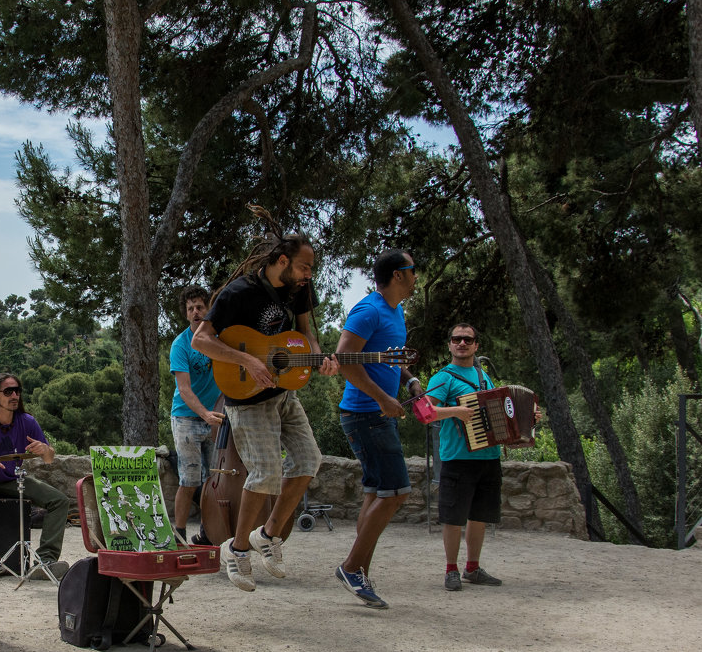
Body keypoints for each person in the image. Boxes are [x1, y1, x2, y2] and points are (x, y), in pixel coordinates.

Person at [192, 233, 338, 591]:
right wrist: (246, 360)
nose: (309, 274)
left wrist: (320, 358)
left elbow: (305, 336)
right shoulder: (239, 293)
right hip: (247, 398)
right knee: (266, 472)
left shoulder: (300, 290)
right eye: (304, 266)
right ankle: (237, 549)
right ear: (283, 261)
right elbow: (201, 339)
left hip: (284, 392)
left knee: (308, 460)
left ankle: (268, 535)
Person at [334, 248, 423, 609]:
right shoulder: (369, 310)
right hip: (366, 414)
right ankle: (351, 567)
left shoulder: (396, 310)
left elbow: (390, 360)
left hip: (376, 412)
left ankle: (360, 572)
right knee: (397, 492)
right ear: (399, 274)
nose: (417, 275)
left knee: (376, 493)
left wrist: (410, 381)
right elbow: (343, 359)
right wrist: (382, 400)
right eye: (413, 270)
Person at [425, 323, 539, 591]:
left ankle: (472, 568)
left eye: (467, 340)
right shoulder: (442, 378)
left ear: (476, 345)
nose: (461, 344)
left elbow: (502, 418)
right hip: (457, 458)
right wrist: (456, 411)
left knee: (479, 516)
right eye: (456, 339)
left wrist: (529, 421)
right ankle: (451, 570)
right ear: (449, 344)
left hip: (488, 458)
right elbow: (427, 412)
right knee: (453, 517)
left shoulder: (483, 377)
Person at [0, 372, 71, 581]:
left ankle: (45, 560)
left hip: (13, 479)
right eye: (8, 391)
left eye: (17, 391)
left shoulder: (27, 421)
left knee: (59, 501)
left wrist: (45, 449)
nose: (14, 395)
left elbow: (49, 459)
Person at [168, 285, 225, 542]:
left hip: (216, 415)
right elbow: (184, 388)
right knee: (190, 478)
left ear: (208, 308)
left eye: (200, 306)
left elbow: (230, 378)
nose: (195, 312)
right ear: (186, 314)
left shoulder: (221, 339)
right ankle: (179, 533)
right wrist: (205, 415)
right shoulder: (180, 345)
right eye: (190, 308)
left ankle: (209, 533)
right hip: (186, 417)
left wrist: (219, 412)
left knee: (217, 480)